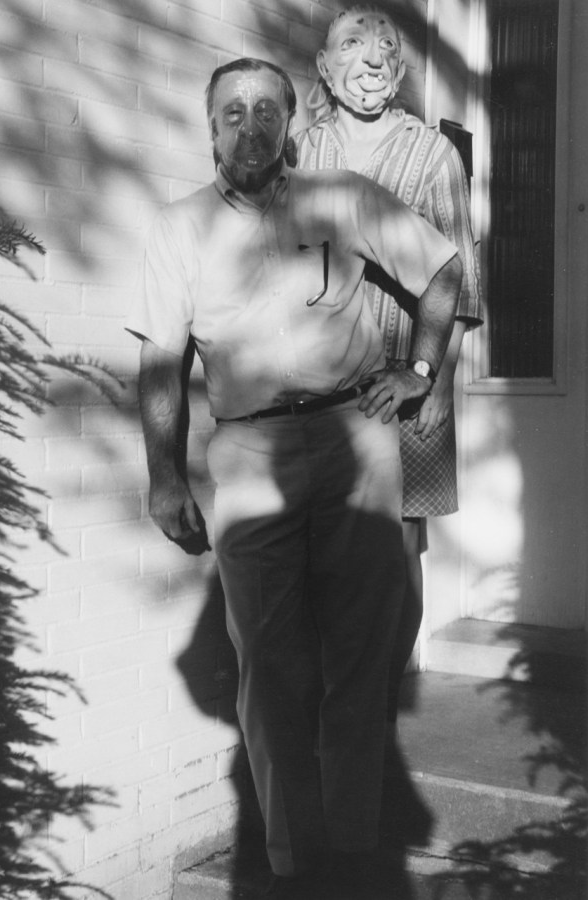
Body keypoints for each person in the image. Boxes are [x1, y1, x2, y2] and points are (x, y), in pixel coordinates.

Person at [126, 57, 462, 896]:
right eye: (232, 112)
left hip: (356, 438)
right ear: (210, 127)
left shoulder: (339, 196)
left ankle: (353, 842)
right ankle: (286, 854)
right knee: (267, 661)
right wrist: (163, 478)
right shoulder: (175, 228)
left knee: (359, 649)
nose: (251, 127)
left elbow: (443, 269)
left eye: (267, 110)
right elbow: (161, 363)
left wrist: (419, 368)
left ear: (289, 121)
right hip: (247, 453)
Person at [294, 5, 483, 727]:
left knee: (396, 545)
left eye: (384, 51)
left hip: (410, 371)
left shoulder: (431, 154)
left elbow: (459, 274)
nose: (370, 60)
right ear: (322, 67)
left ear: (399, 73)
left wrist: (432, 380)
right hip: (320, 382)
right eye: (351, 45)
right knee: (328, 538)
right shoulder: (301, 153)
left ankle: (374, 698)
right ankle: (333, 696)